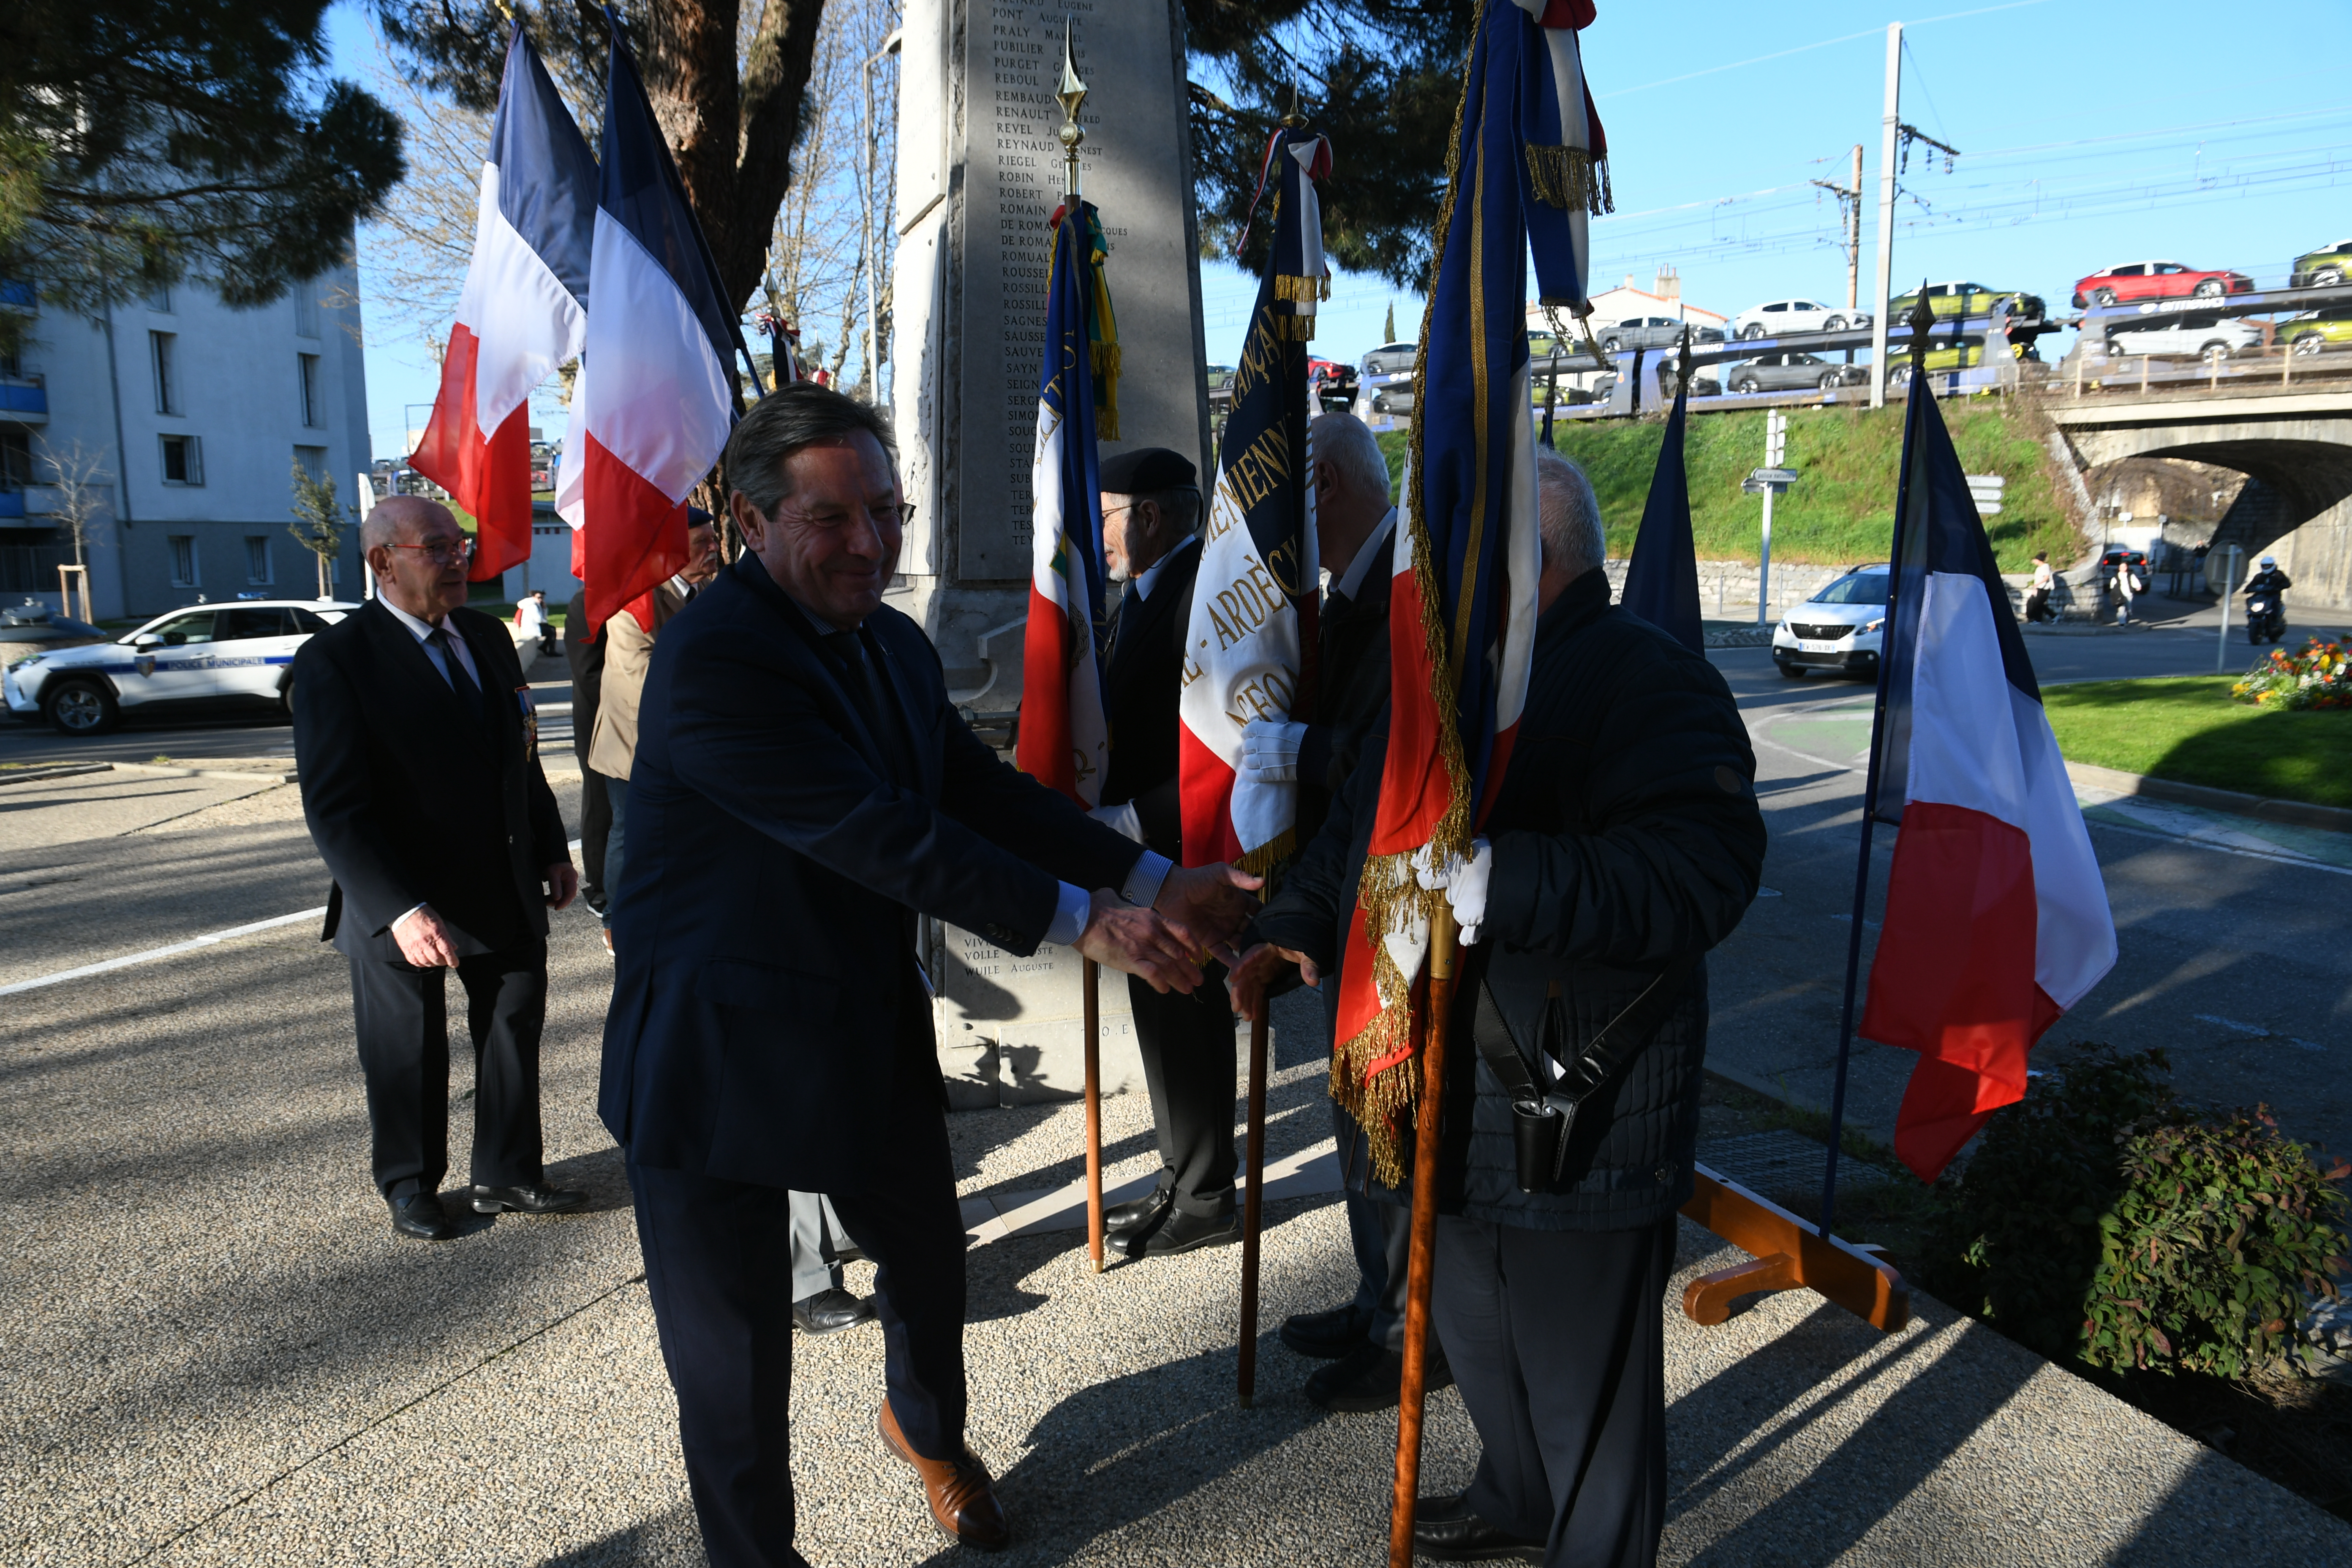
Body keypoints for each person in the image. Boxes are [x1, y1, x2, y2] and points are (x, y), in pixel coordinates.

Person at [598, 383, 1261, 1564]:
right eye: (832, 517)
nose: (870, 543)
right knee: (732, 1360)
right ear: (751, 523)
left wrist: (1152, 877)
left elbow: (975, 792)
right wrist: (1086, 922)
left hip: (859, 1022)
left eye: (887, 511)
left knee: (927, 1264)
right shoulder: (714, 658)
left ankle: (927, 1432)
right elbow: (882, 835)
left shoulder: (892, 642)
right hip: (715, 1052)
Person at [1231, 450, 1766, 1567]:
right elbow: (1366, 826)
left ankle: (1589, 1545)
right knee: (1477, 1332)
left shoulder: (1646, 675)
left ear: (1528, 555)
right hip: (1449, 1087)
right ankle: (1515, 1494)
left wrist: (1504, 877)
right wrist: (1293, 924)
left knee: (1584, 1390)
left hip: (1578, 1102)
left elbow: (1701, 873)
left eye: (1456, 547)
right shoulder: (1456, 677)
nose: (1430, 572)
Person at [292, 496, 585, 1242]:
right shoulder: (338, 660)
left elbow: (520, 756)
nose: (458, 559)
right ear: (382, 562)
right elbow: (336, 809)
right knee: (407, 1050)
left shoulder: (487, 637)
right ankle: (411, 1183)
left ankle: (506, 1171)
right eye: (436, 548)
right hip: (402, 896)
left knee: (513, 1022)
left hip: (501, 878)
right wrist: (399, 909)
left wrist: (552, 846)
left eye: (461, 545)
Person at [1237, 412, 1435, 1412]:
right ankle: (1375, 1296)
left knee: (1390, 1113)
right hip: (1344, 896)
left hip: (1397, 904)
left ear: (1320, 489)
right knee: (1357, 1117)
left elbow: (1404, 746)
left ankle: (1410, 1329)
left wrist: (1302, 751)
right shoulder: (1351, 588)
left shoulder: (1409, 582)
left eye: (1283, 497)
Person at [1080, 446, 1252, 1262]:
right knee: (1159, 1012)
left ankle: (1208, 1193)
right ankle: (1180, 1171)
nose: (1097, 535)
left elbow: (1226, 744)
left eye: (1106, 517)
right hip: (1145, 859)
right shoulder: (1144, 593)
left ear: (1149, 516)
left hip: (1183, 849)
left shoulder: (1198, 594)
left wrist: (1130, 819)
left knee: (1187, 1017)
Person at [587, 511, 722, 952]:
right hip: (633, 744)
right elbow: (643, 677)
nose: (714, 548)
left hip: (684, 738)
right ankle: (615, 919)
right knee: (630, 832)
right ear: (671, 551)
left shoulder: (705, 590)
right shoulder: (637, 601)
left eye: (714, 539)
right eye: (702, 543)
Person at [564, 589, 613, 914]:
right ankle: (599, 887)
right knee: (601, 804)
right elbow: (588, 671)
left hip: (635, 719)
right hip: (599, 721)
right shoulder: (588, 601)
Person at [516, 588, 555, 656]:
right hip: (532, 628)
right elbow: (539, 620)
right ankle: (549, 650)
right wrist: (545, 621)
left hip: (534, 626)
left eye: (542, 598)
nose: (541, 599)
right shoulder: (533, 607)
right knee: (552, 630)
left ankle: (545, 647)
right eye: (539, 598)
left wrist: (545, 609)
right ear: (533, 597)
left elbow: (542, 618)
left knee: (552, 629)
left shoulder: (537, 605)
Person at [2025, 551, 2055, 623]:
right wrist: (2035, 589)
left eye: (2035, 560)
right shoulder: (2039, 569)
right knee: (2039, 604)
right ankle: (2054, 616)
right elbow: (2037, 580)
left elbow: (2047, 577)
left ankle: (2039, 620)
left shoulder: (2046, 566)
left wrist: (2038, 584)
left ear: (2039, 560)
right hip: (2040, 588)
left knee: (2038, 604)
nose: (2034, 562)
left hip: (2046, 588)